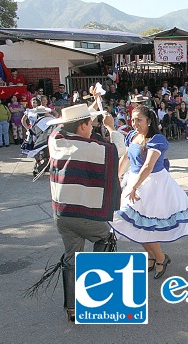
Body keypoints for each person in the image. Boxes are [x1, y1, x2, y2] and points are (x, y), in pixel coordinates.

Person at [25, 103, 126, 322]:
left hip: (62, 214)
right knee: (106, 239)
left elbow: (62, 127)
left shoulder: (56, 141)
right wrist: (111, 128)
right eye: (89, 123)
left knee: (72, 256)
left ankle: (72, 308)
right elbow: (119, 148)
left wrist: (88, 109)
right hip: (84, 215)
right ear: (82, 126)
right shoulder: (92, 148)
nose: (92, 127)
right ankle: (93, 288)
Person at [111, 105, 188, 279]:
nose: (134, 123)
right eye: (132, 119)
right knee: (132, 223)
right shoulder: (132, 136)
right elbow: (125, 158)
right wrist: (116, 176)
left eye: (138, 120)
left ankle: (161, 258)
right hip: (134, 181)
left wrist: (134, 187)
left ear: (149, 121)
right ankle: (151, 256)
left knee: (145, 226)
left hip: (153, 185)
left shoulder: (157, 139)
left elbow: (148, 166)